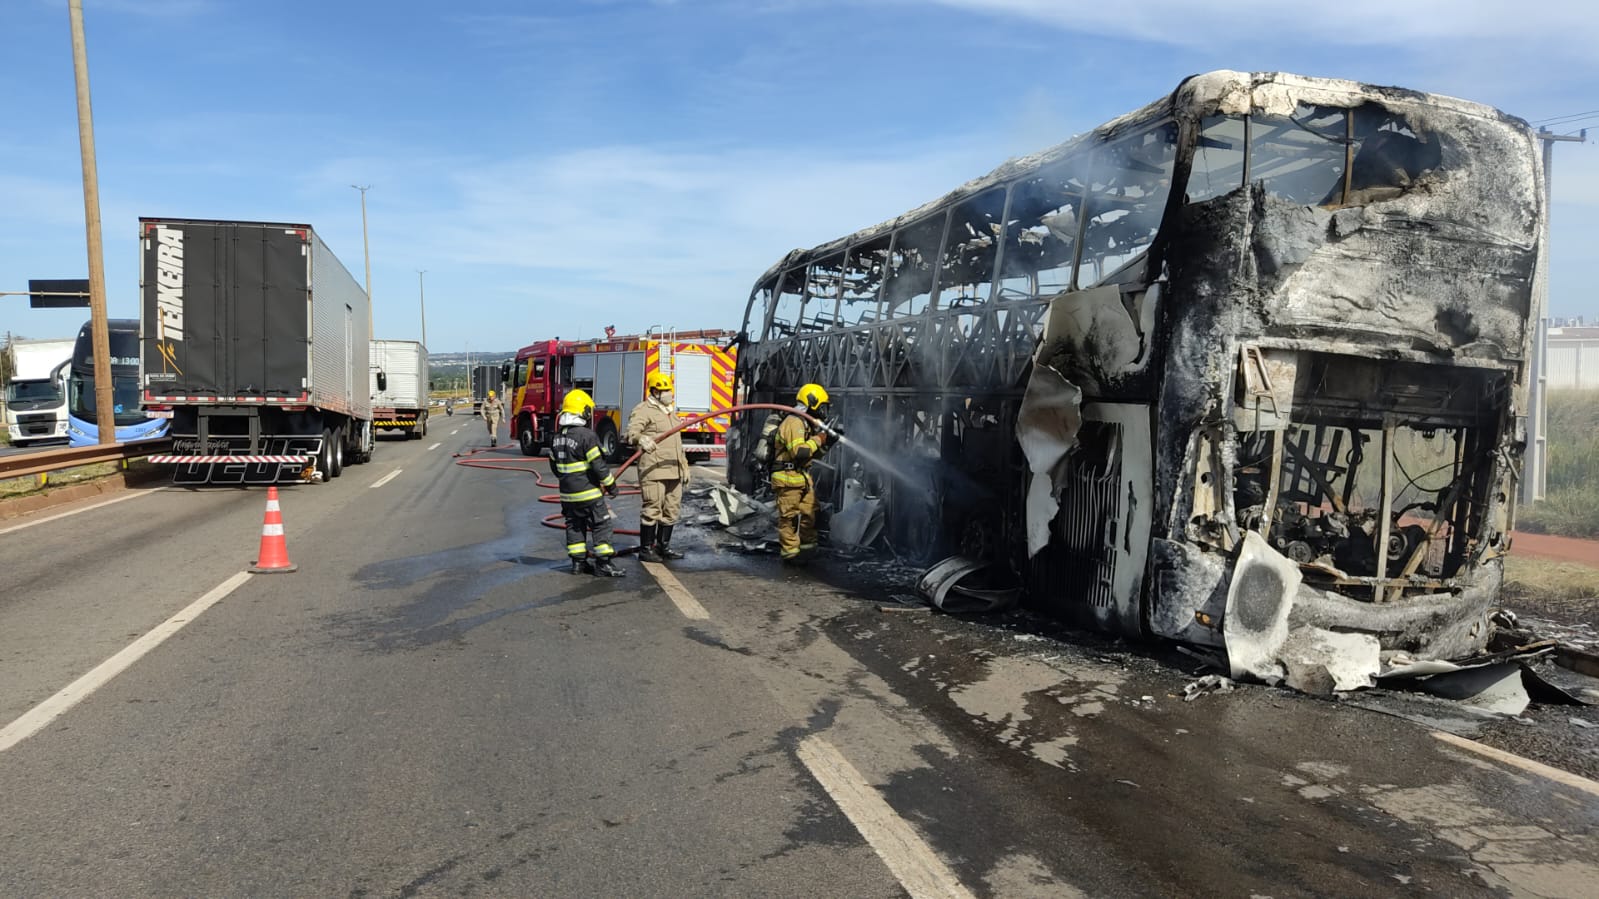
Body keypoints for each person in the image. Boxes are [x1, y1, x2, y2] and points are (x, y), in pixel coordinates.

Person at [549, 389, 624, 578]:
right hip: (589, 493)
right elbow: (599, 466)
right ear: (583, 412)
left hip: (567, 495)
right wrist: (611, 486)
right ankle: (603, 564)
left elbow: (555, 467)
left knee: (575, 525)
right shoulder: (587, 436)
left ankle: (578, 564)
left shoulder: (556, 437)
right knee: (601, 524)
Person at [626, 372, 691, 563]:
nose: (669, 394)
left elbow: (677, 443)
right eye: (664, 391)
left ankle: (664, 546)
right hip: (654, 469)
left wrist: (685, 466)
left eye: (669, 390)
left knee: (671, 510)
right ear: (654, 392)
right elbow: (631, 433)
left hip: (674, 469)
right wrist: (641, 439)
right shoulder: (643, 410)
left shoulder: (671, 412)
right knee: (652, 508)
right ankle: (646, 549)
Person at [772, 383, 836, 564]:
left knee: (810, 512)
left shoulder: (806, 423)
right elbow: (799, 452)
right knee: (789, 517)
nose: (823, 411)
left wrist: (828, 443)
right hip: (787, 477)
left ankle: (808, 549)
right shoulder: (794, 422)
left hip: (801, 477)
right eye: (822, 406)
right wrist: (819, 438)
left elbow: (812, 454)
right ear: (812, 402)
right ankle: (790, 553)